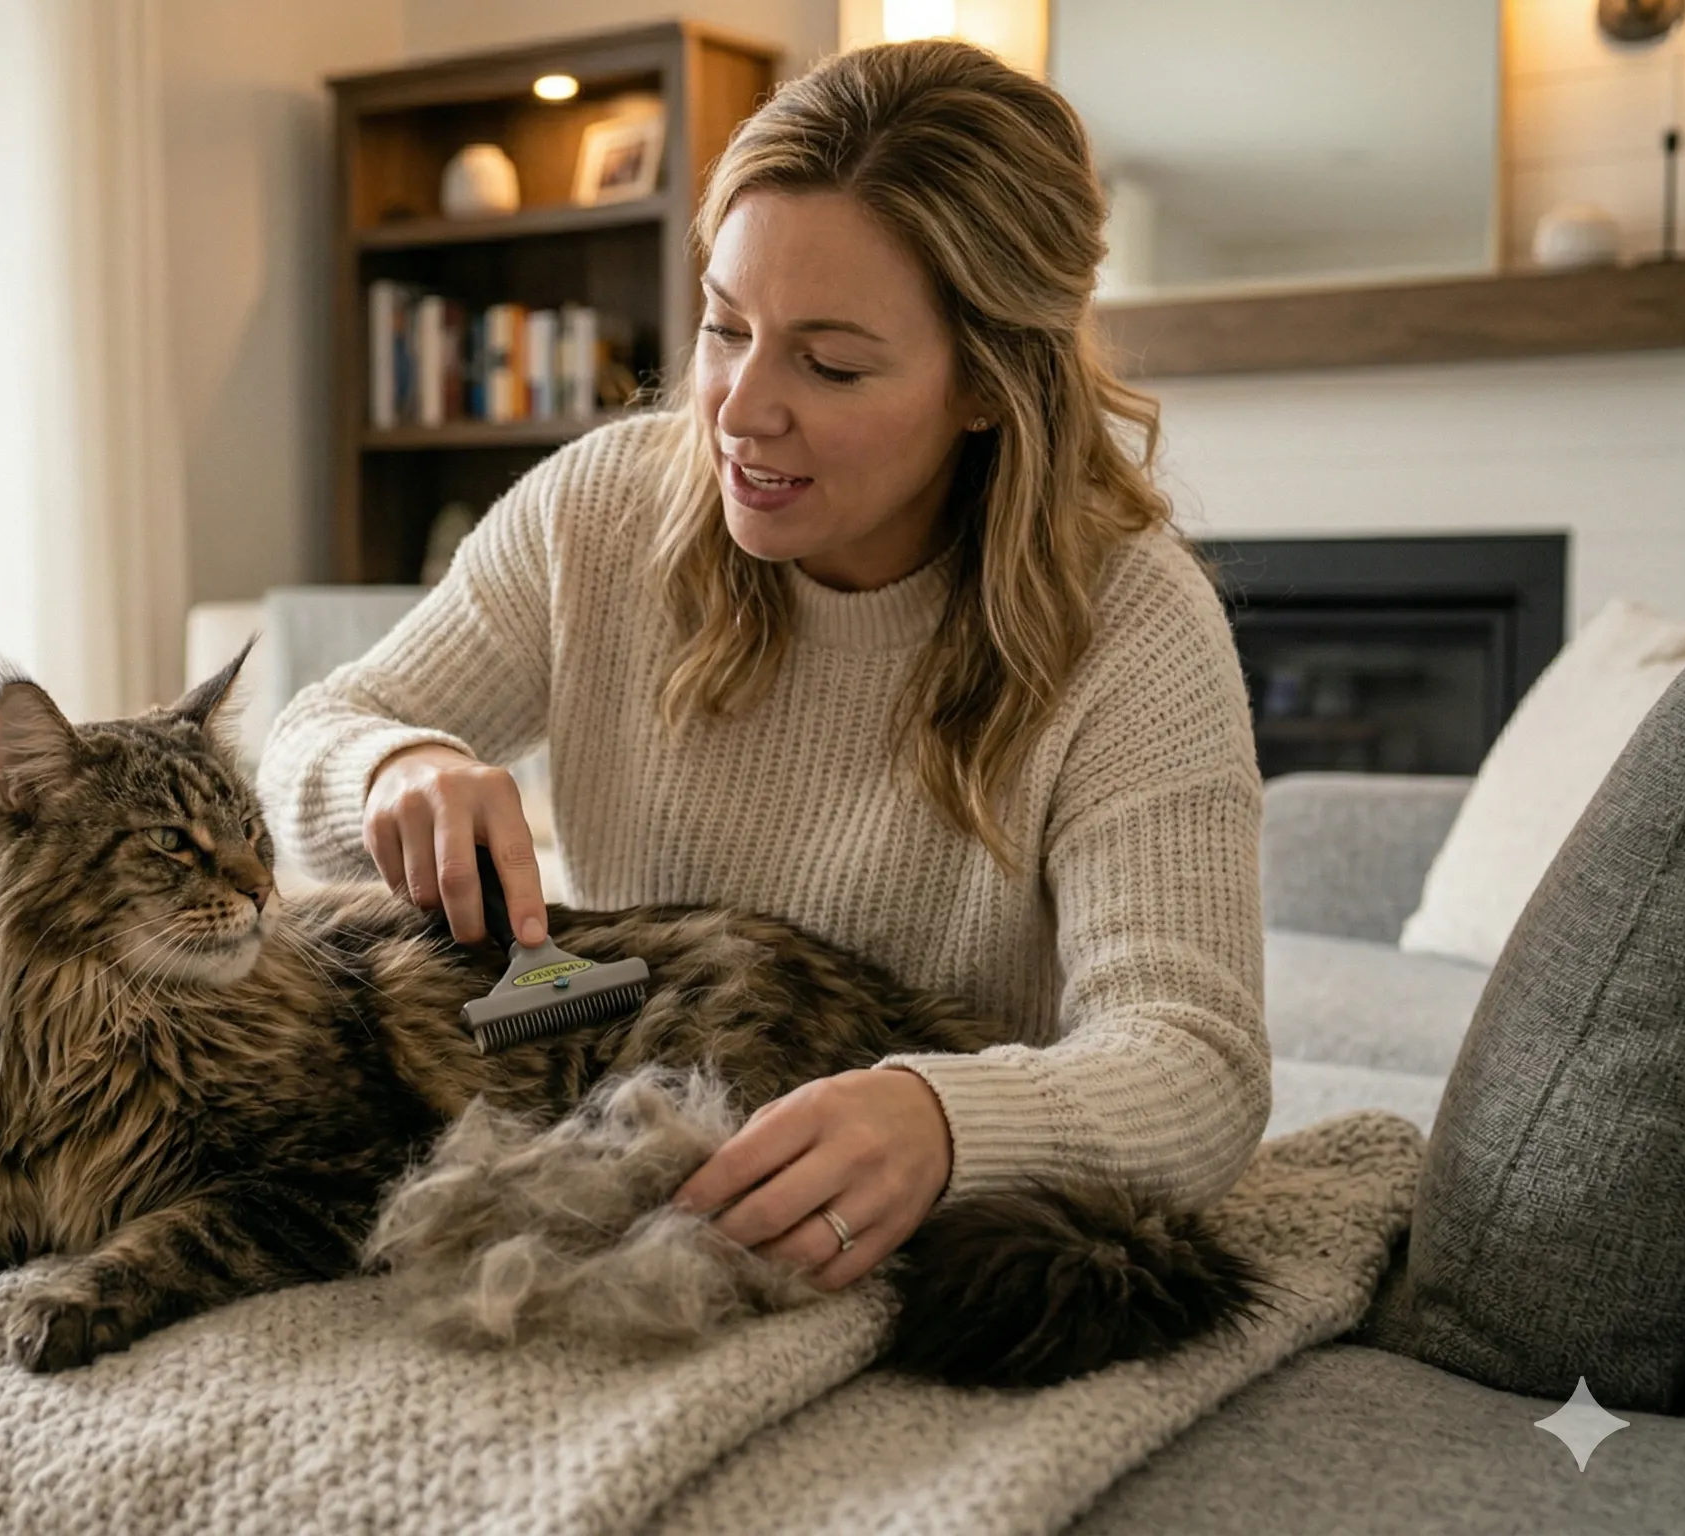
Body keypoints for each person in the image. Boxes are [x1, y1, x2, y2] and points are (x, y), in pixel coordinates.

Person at [259, 39, 1269, 1290]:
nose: (738, 409)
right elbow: (310, 733)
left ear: (988, 388)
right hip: (616, 1178)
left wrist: (944, 1123)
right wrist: (392, 763)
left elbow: (1196, 1060)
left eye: (830, 363)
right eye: (725, 328)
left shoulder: (1134, 627)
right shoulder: (601, 511)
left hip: (912, 1242)